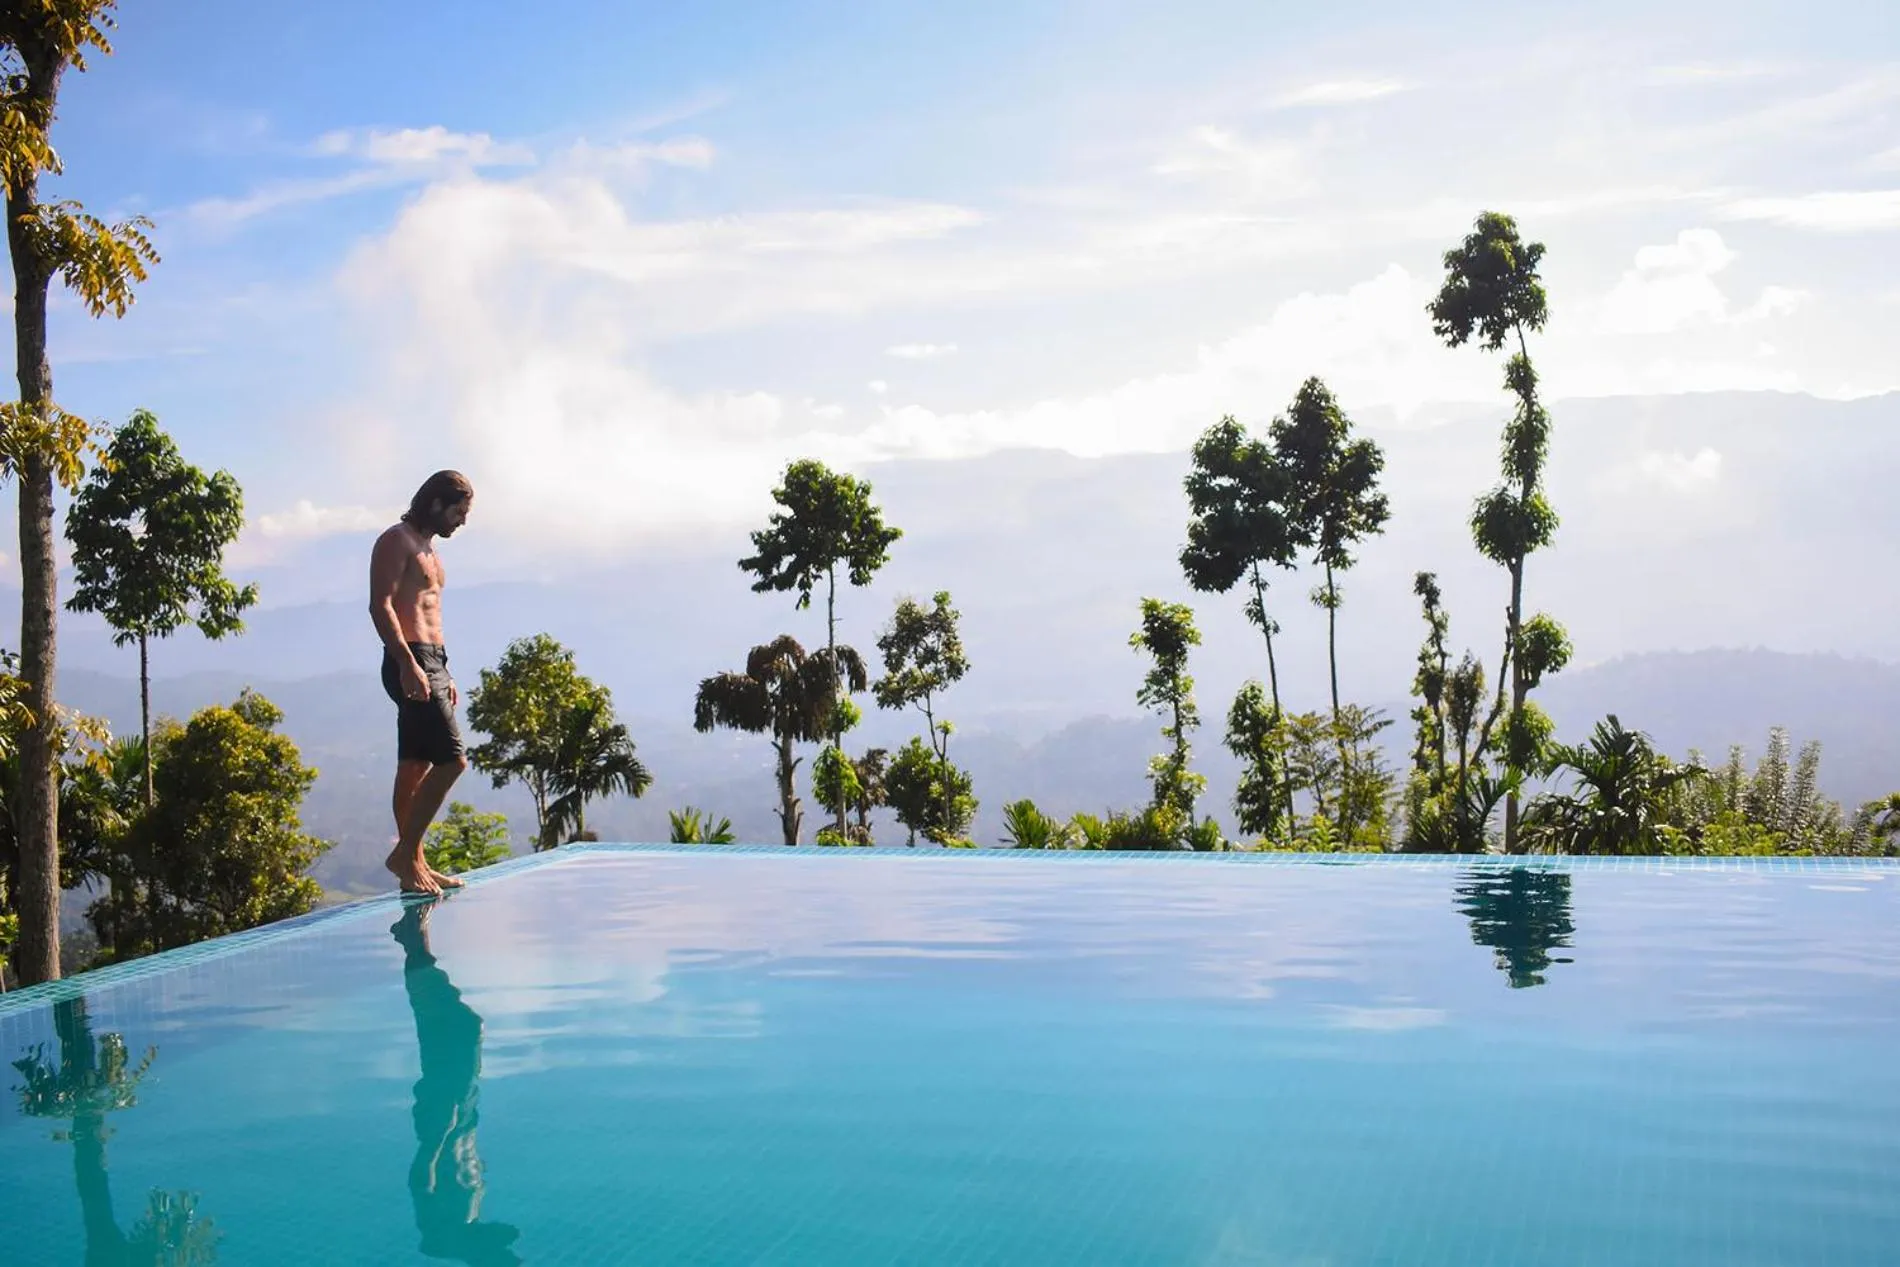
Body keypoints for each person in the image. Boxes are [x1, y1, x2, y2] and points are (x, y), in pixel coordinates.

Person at [392, 901, 522, 1265]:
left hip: (445, 1112)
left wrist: (437, 1137)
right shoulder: (466, 1218)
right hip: (460, 1110)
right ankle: (416, 948)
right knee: (466, 1029)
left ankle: (416, 948)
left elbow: (421, 1182)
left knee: (455, 1031)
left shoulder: (442, 1232)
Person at [371, 470, 475, 896]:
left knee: (414, 766)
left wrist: (443, 672)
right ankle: (405, 853)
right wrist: (407, 663)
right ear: (435, 504)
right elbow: (381, 606)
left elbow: (432, 617)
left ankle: (416, 867)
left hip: (433, 661)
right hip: (410, 659)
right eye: (458, 511)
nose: (461, 521)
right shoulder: (396, 540)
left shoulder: (431, 552)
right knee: (454, 760)